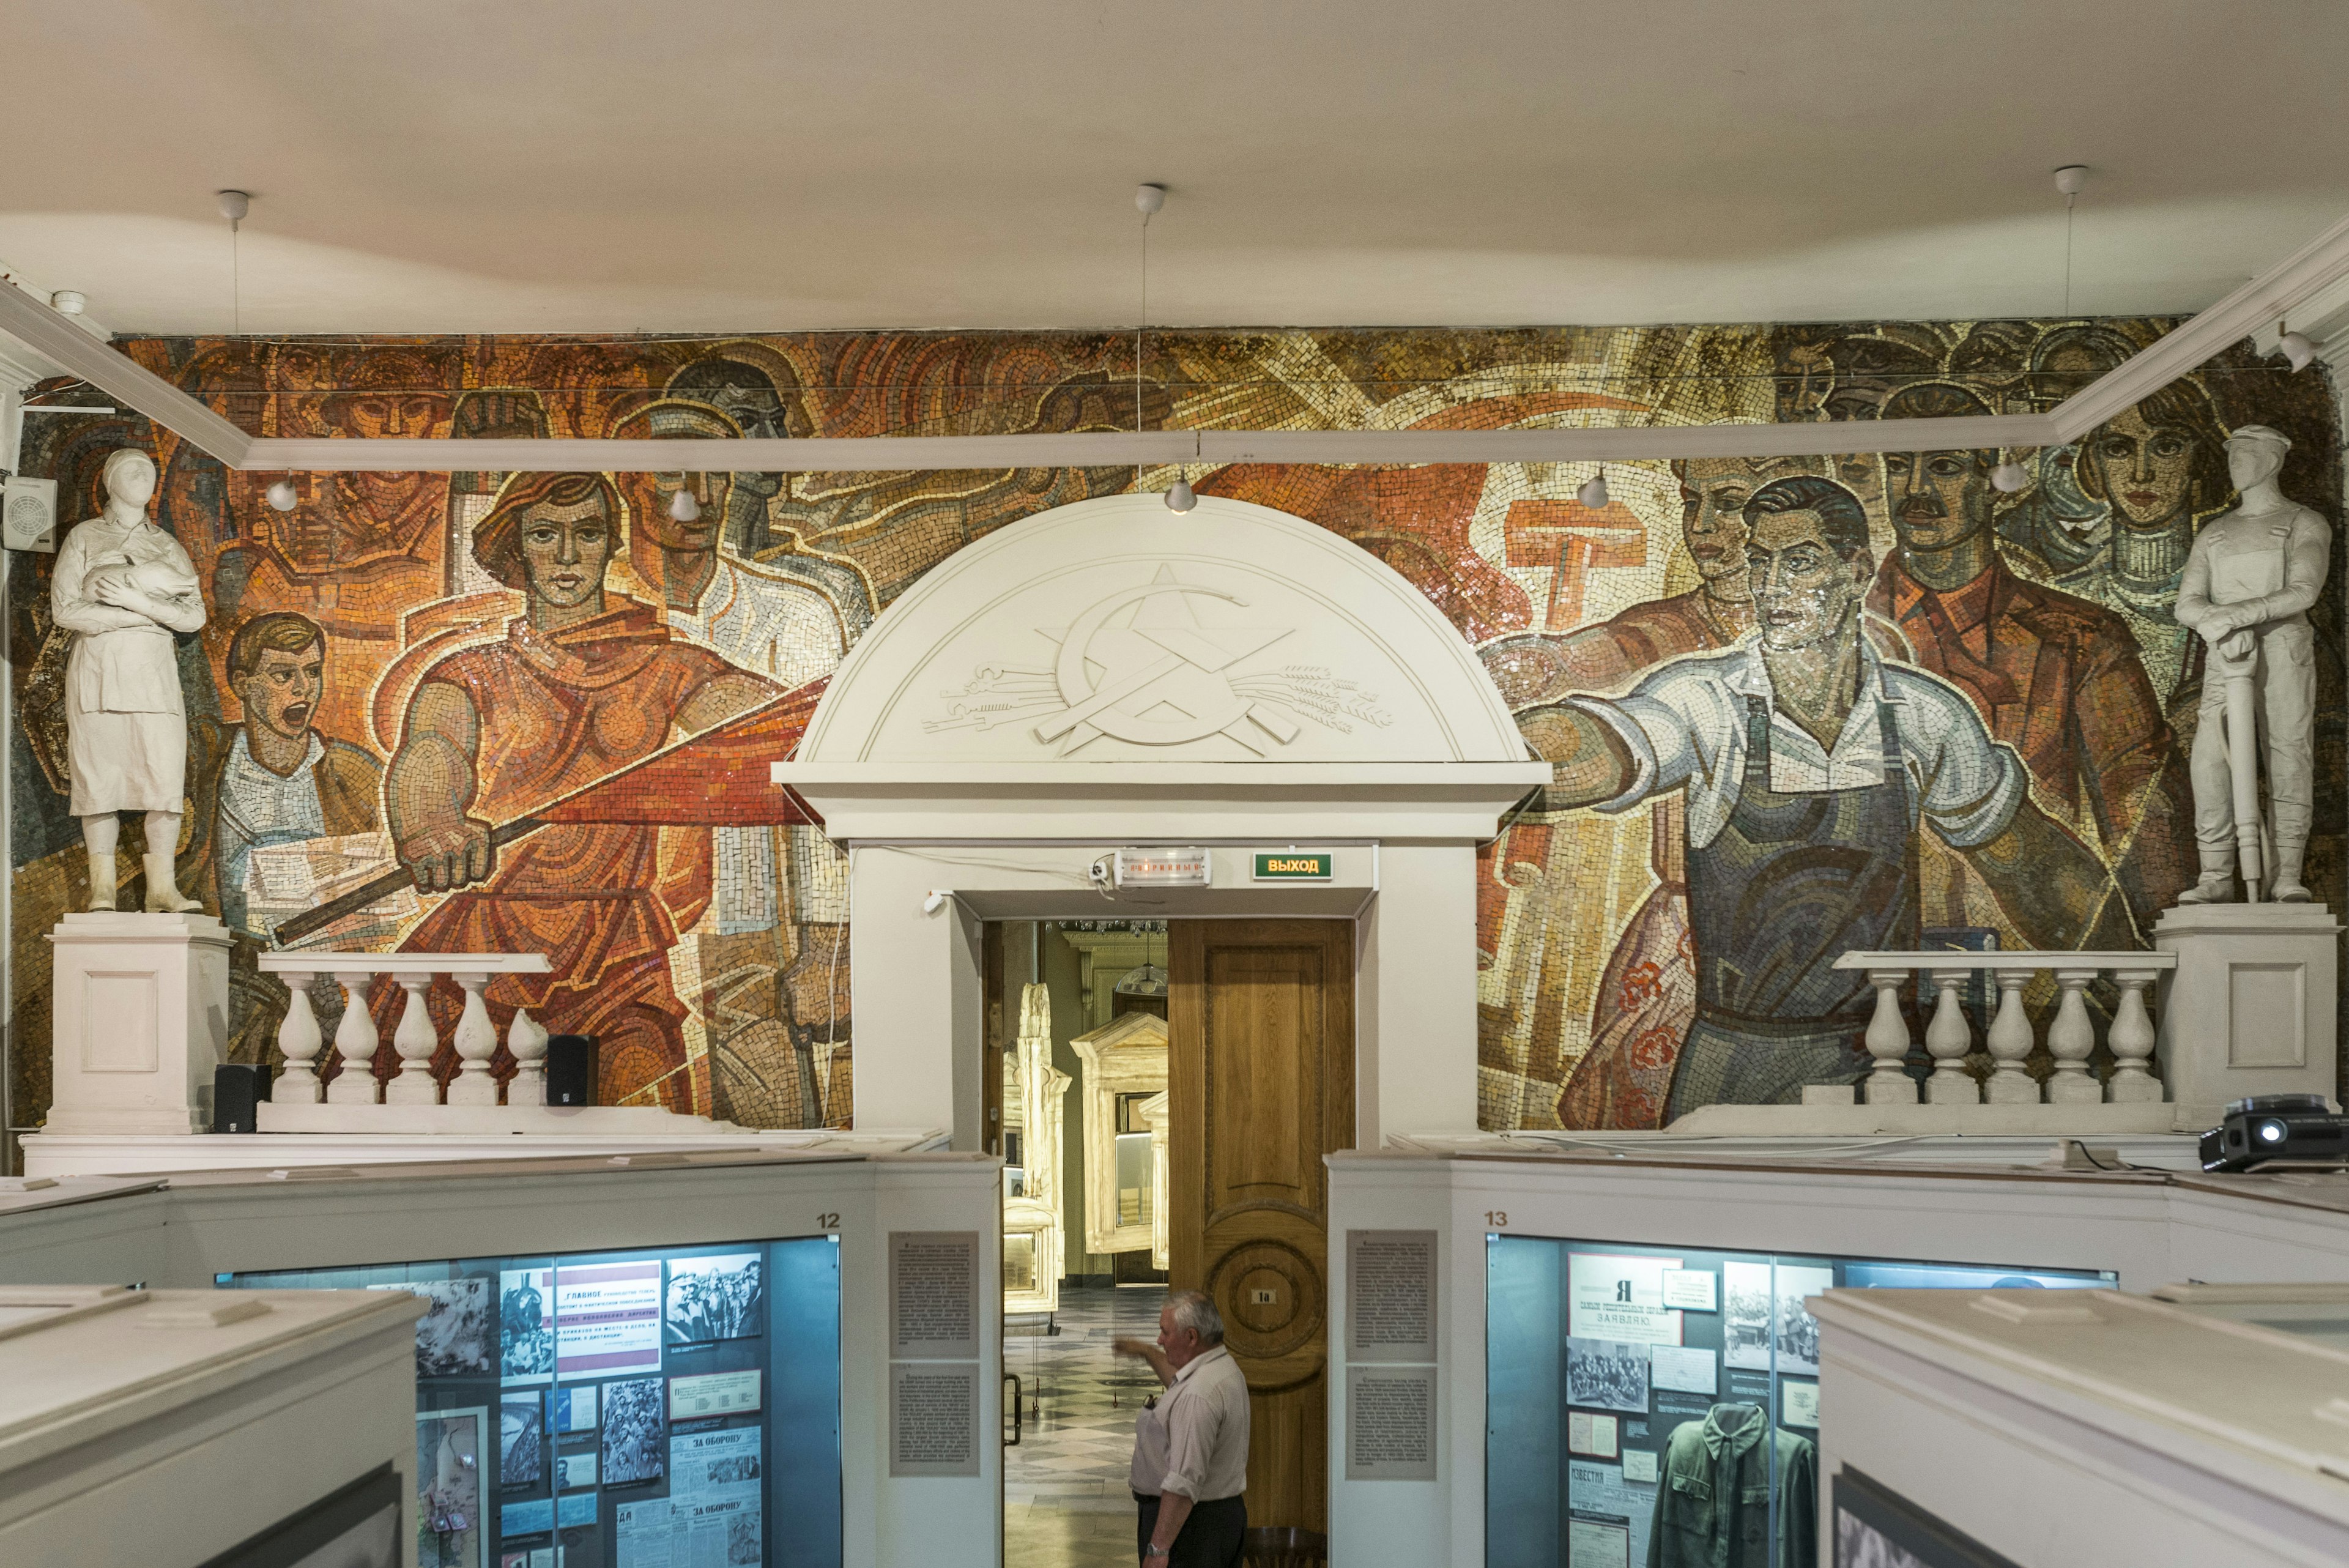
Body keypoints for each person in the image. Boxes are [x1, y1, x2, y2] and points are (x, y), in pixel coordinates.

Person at [1515, 475, 2133, 1116]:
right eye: (1762, 562)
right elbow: (1597, 745)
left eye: (1801, 561)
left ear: (1856, 569)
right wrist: (1498, 757)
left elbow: (2035, 867)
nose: (1773, 585)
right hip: (1736, 1065)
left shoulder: (1925, 714)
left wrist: (2146, 984)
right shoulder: (1707, 699)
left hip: (1885, 1063)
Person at [380, 471, 777, 1105]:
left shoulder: (668, 665)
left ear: (611, 544)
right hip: (491, 943)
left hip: (620, 945)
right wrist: (430, 823)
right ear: (517, 546)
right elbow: (434, 751)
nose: (567, 557)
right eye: (545, 534)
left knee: (642, 1103)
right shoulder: (466, 673)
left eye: (587, 534)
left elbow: (767, 725)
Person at [1864, 383, 2192, 933]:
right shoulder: (1845, 640)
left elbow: (2145, 824)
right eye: (1899, 466)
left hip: (2038, 961)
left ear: (1996, 482)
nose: (1915, 490)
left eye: (1944, 466)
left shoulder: (2081, 638)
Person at [2173, 424, 2331, 904]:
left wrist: (2236, 615)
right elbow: (2187, 603)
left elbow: (2304, 590)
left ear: (2271, 460)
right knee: (2210, 760)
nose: (2233, 465)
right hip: (2225, 655)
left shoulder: (2305, 522)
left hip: (2282, 647)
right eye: (2231, 456)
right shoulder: (2216, 533)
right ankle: (2217, 872)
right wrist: (2217, 623)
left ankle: (2286, 875)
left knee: (2288, 753)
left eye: (2243, 455)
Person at [51, 447, 208, 913]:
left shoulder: (166, 545)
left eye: (150, 470)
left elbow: (193, 615)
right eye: (131, 468)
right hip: (98, 672)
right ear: (108, 480)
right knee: (98, 779)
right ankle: (102, 887)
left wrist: (135, 602)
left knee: (163, 777)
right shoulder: (84, 537)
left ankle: (162, 887)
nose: (143, 474)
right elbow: (65, 609)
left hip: (153, 677)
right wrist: (130, 614)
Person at [184, 611, 383, 931]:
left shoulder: (351, 769)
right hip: (230, 955)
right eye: (282, 675)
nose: (303, 688)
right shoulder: (207, 761)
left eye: (313, 672)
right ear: (243, 684)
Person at [1113, 1290, 1250, 1566]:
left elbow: (1184, 1482)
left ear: (1191, 1337)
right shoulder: (1220, 1369)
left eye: (1165, 1333)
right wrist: (1147, 1353)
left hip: (1192, 1529)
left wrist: (1158, 1549)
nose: (1159, 1340)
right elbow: (1179, 1381)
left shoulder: (1198, 1396)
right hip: (1216, 1519)